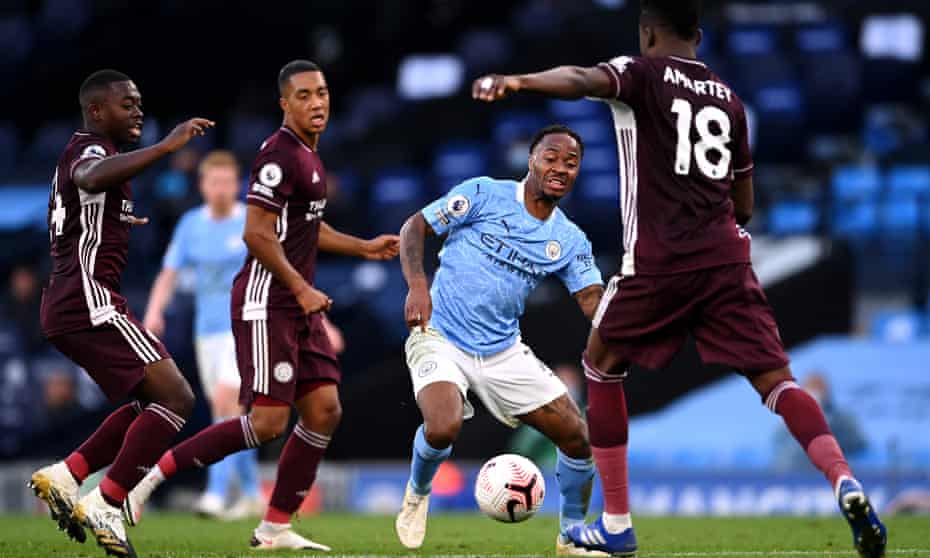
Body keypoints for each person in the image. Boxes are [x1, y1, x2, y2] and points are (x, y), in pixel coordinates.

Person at [472, 1, 888, 557]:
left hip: (660, 260)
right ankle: (844, 480)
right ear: (700, 34)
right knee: (776, 380)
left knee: (600, 361)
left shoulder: (641, 74)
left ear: (647, 32)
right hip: (727, 261)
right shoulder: (731, 101)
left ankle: (615, 523)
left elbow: (580, 79)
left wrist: (518, 80)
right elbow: (745, 205)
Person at [122, 60, 400, 551]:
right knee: (269, 420)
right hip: (266, 300)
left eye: (323, 93)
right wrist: (301, 288)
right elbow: (255, 233)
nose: (318, 103)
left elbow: (306, 229)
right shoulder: (279, 155)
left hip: (294, 303)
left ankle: (274, 527)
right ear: (285, 104)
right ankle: (147, 479)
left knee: (324, 410)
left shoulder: (312, 157)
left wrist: (363, 247)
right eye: (305, 96)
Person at [29, 68, 214, 558]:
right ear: (96, 111)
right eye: (126, 104)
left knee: (147, 405)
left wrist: (123, 217)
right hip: (88, 299)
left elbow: (86, 201)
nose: (138, 111)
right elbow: (88, 176)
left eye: (139, 102)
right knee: (177, 398)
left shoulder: (93, 153)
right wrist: (165, 148)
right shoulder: (90, 150)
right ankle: (108, 502)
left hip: (72, 301)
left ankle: (67, 475)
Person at [396, 125, 605, 556]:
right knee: (443, 425)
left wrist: (626, 316)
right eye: (552, 157)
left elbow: (591, 301)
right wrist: (417, 285)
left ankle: (571, 536)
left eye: (571, 162)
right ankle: (417, 495)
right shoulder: (483, 193)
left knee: (577, 437)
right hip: (440, 334)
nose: (561, 168)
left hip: (503, 350)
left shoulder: (568, 239)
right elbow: (414, 226)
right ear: (531, 160)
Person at [143, 150, 263, 519]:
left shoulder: (252, 221)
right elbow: (169, 272)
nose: (222, 189)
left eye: (229, 182)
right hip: (206, 332)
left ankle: (214, 494)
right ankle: (253, 493)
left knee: (228, 402)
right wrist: (154, 310)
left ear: (237, 184)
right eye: (215, 182)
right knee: (227, 413)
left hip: (245, 325)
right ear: (203, 186)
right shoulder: (191, 224)